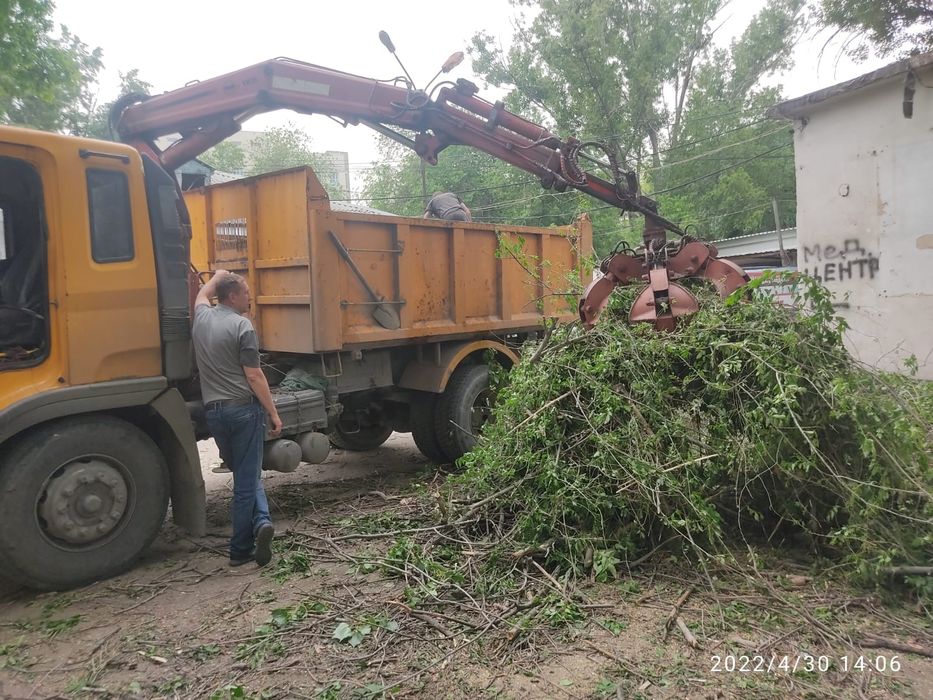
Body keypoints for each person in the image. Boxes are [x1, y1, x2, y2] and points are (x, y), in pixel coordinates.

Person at [192, 270, 283, 567]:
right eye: (245, 292)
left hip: (215, 413)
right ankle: (240, 549)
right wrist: (272, 412)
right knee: (246, 482)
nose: (249, 297)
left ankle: (262, 522)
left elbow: (203, 294)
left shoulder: (202, 318)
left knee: (245, 473)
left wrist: (217, 276)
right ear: (233, 296)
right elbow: (254, 375)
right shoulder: (242, 325)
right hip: (243, 411)